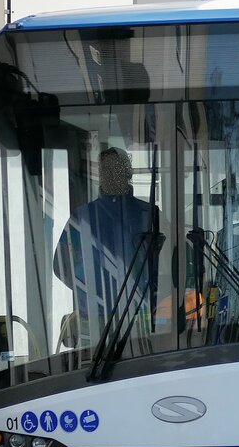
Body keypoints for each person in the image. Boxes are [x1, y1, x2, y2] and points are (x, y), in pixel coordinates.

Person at [54, 147, 160, 351]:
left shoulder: (149, 215)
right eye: (108, 170)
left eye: (116, 169)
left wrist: (90, 292)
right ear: (101, 176)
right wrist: (89, 292)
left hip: (137, 316)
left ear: (128, 174)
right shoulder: (81, 217)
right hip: (97, 319)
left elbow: (167, 266)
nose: (112, 175)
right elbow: (61, 265)